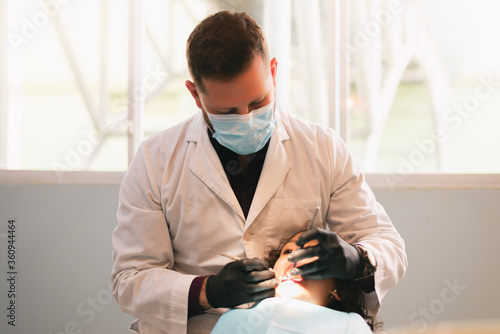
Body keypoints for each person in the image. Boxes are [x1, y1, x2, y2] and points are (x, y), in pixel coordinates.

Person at [111, 10, 407, 334]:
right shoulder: (155, 161)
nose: (247, 118)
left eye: (257, 101)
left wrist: (356, 259)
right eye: (227, 112)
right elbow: (130, 280)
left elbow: (387, 244)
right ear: (196, 95)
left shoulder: (323, 149)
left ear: (274, 72)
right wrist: (208, 291)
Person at [210, 231, 376, 333]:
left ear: (339, 290)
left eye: (313, 253)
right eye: (288, 251)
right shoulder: (234, 321)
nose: (296, 258)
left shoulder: (349, 325)